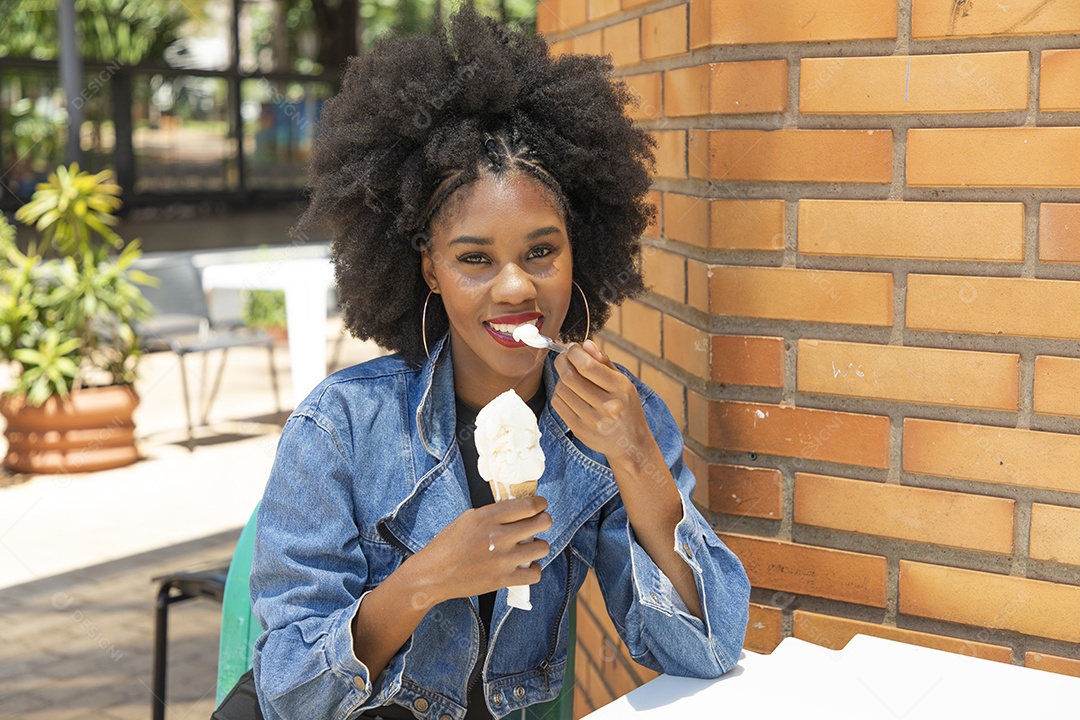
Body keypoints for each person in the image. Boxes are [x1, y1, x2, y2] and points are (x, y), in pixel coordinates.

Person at [248, 6, 750, 720]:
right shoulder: (342, 429)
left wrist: (636, 454)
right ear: (428, 269)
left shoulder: (609, 421)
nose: (516, 287)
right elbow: (289, 692)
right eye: (475, 258)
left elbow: (707, 648)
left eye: (541, 252)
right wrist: (426, 580)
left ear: (579, 251)